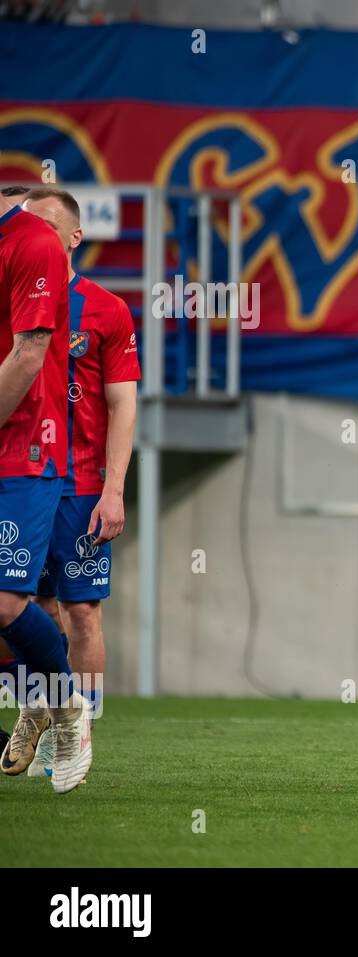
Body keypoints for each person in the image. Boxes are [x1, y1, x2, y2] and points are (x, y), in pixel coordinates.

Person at [19, 187, 139, 777]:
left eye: (40, 225)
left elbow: (123, 405)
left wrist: (114, 487)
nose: (25, 234)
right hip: (21, 471)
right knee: (22, 605)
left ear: (72, 237)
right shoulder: (10, 301)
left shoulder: (107, 310)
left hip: (82, 482)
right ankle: (41, 708)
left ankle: (79, 728)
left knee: (81, 612)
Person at [0, 185, 92, 793]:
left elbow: (30, 355)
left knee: (15, 604)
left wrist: (112, 484)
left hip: (28, 450)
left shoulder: (33, 243)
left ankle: (68, 709)